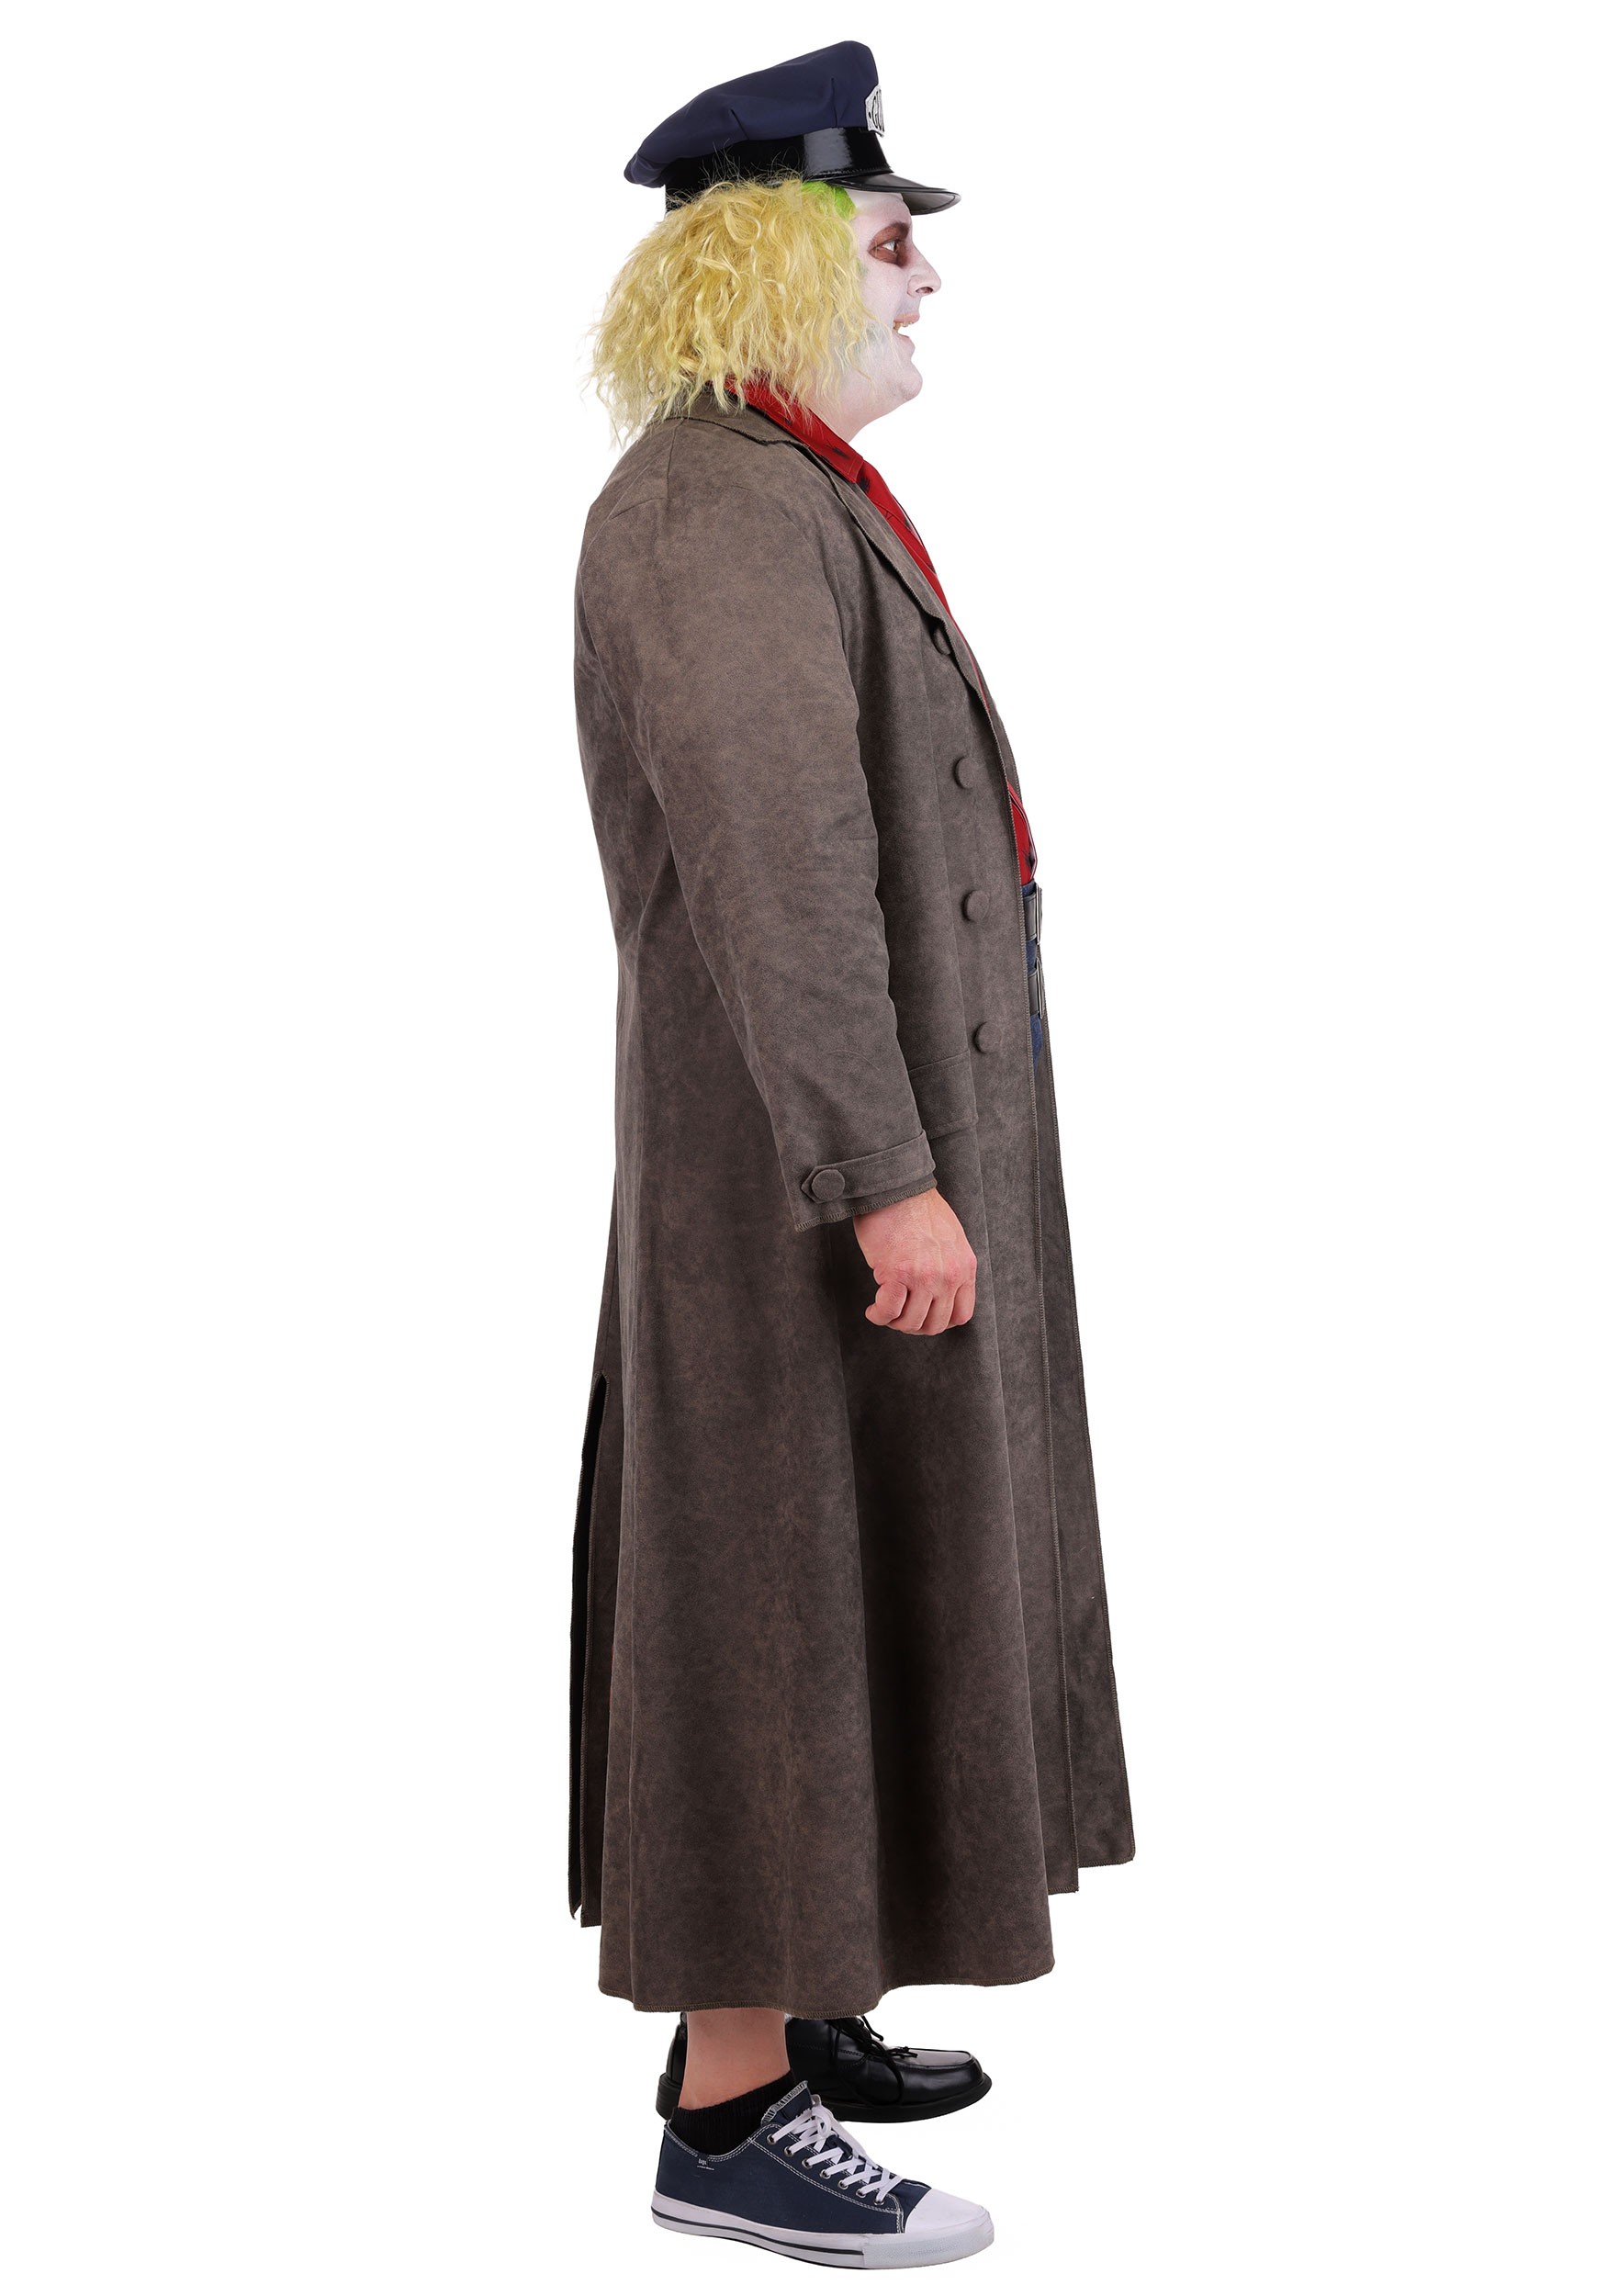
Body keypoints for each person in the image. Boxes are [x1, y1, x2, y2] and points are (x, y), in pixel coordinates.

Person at [569, 40, 1134, 2268]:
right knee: (769, 1591)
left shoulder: (781, 488)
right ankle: (724, 2116)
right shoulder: (712, 511)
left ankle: (796, 2009)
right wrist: (883, 1173)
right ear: (776, 262)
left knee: (854, 1570)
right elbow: (783, 874)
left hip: (847, 1149)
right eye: (893, 246)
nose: (925, 283)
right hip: (797, 1183)